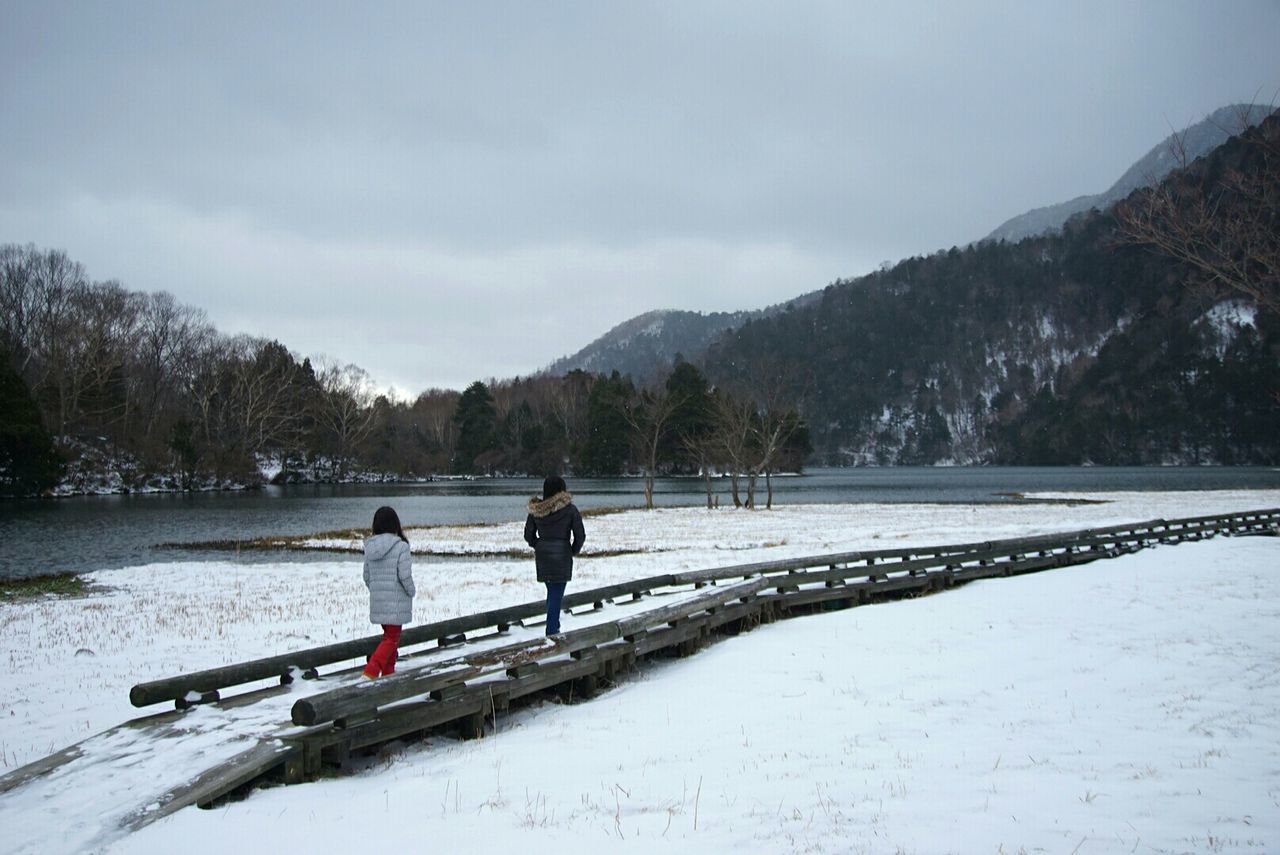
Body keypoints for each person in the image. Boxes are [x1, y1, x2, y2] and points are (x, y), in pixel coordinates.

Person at [523, 475, 585, 635]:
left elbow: (528, 535)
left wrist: (537, 544)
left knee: (552, 592)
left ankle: (554, 626)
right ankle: (552, 631)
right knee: (556, 593)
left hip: (543, 555)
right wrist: (572, 550)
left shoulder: (536, 510)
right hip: (562, 554)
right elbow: (580, 535)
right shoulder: (570, 509)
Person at [361, 506, 415, 679]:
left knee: (390, 640)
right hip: (397, 603)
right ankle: (371, 671)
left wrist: (377, 591)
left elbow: (367, 576)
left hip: (380, 602)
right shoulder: (401, 547)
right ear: (395, 524)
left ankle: (388, 675)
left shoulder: (370, 547)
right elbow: (404, 575)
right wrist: (411, 591)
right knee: (391, 639)